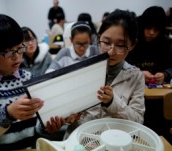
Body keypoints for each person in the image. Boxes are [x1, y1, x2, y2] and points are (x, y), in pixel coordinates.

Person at [0, 14, 65, 151]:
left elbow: (34, 128)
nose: (17, 57)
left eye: (20, 48)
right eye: (8, 52)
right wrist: (7, 114)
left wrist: (45, 128)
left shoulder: (28, 78)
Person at [61, 9, 146, 139]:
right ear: (98, 37)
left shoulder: (135, 77)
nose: (111, 52)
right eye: (106, 42)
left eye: (121, 45)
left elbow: (138, 121)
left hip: (114, 144)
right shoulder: (83, 70)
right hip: (80, 142)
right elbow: (70, 115)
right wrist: (69, 116)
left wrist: (112, 102)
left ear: (132, 45)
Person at [126, 6, 172, 85]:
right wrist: (137, 73)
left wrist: (165, 74)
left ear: (161, 30)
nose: (152, 32)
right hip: (134, 85)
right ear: (142, 27)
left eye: (156, 29)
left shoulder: (168, 43)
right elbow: (121, 65)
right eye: (148, 28)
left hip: (159, 88)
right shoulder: (132, 41)